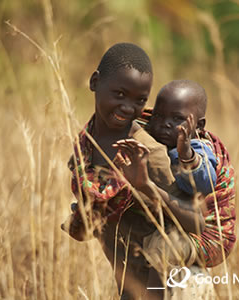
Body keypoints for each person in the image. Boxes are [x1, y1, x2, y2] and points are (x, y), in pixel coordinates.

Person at [61, 43, 204, 300]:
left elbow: (197, 223)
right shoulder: (86, 145)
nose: (128, 107)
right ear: (95, 82)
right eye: (119, 94)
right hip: (129, 285)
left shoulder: (148, 154)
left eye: (139, 100)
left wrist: (147, 187)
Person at [119, 79, 236, 271]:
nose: (164, 124)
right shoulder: (154, 138)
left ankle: (153, 292)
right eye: (158, 116)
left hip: (207, 238)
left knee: (161, 249)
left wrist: (186, 154)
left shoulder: (200, 146)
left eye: (176, 119)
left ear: (199, 126)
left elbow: (204, 184)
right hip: (177, 223)